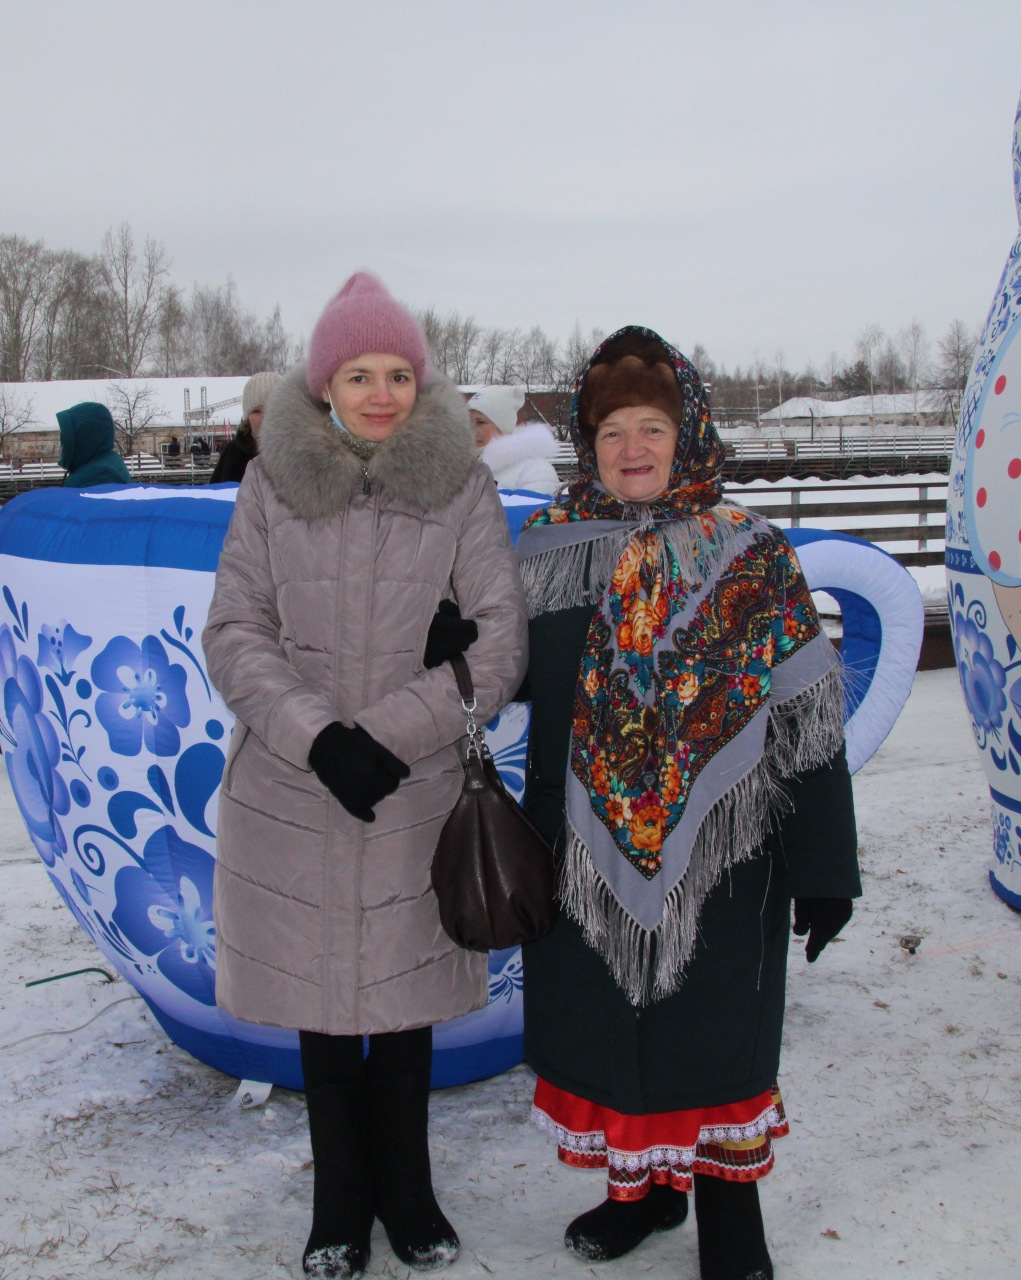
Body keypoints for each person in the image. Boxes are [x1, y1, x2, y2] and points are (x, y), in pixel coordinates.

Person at [514, 328, 860, 1280]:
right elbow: (509, 677)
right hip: (583, 851)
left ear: (689, 433)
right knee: (609, 1031)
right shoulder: (546, 553)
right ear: (587, 443)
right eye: (612, 430)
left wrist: (827, 872)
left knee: (709, 1037)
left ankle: (731, 1223)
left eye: (652, 427)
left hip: (727, 858)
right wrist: (453, 634)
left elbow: (806, 723)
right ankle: (644, 1195)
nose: (632, 447)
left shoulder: (753, 556)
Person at [203, 271, 528, 1279]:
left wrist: (387, 735)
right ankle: (339, 1200)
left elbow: (500, 639)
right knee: (324, 1011)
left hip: (413, 783)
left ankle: (409, 1190)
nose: (380, 393)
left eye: (397, 373)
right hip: (294, 786)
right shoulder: (269, 485)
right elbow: (235, 629)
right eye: (358, 374)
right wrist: (318, 738)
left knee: (402, 999)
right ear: (324, 385)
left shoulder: (461, 487)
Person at [470, 385, 562, 495]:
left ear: (504, 426)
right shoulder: (463, 467)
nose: (471, 429)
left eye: (480, 422)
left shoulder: (535, 471)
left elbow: (534, 506)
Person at [212, 371, 281, 484]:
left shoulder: (300, 452)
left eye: (271, 409)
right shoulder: (233, 453)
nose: (264, 417)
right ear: (248, 417)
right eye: (256, 411)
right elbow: (216, 491)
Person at [56, 401, 129, 487]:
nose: (63, 442)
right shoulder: (98, 464)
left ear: (83, 436)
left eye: (66, 436)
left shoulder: (100, 475)